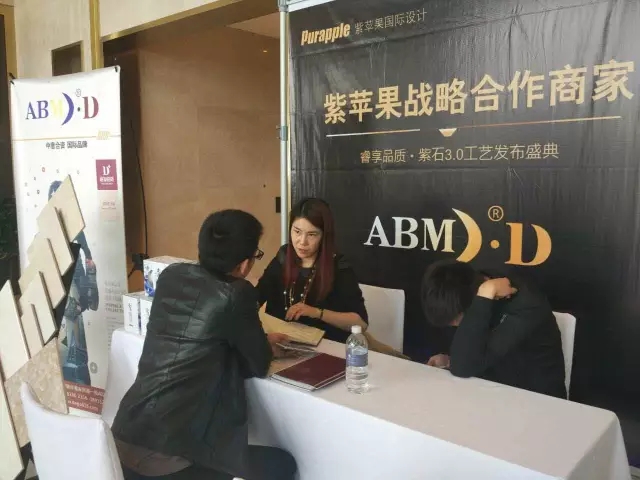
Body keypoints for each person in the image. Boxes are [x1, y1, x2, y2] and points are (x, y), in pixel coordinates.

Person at [112, 210, 297, 480]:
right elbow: (258, 364)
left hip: (124, 436)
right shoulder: (236, 293)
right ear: (244, 265)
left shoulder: (171, 276)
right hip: (172, 458)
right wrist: (264, 345)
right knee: (282, 464)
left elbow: (200, 340)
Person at [421, 260, 566, 398]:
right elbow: (477, 355)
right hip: (492, 391)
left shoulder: (526, 305)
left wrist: (486, 292)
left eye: (457, 319)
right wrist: (449, 360)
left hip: (538, 400)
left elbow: (462, 367)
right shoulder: (472, 287)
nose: (455, 326)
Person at [257, 198, 368, 343]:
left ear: (324, 236)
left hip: (326, 346)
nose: (302, 241)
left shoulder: (339, 266)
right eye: (297, 231)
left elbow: (361, 323)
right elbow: (257, 296)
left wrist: (317, 313)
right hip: (280, 342)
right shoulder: (284, 256)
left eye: (311, 234)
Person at [49, 180, 99, 386]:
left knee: (79, 371)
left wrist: (90, 277)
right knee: (60, 371)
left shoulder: (79, 237)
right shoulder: (44, 238)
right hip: (57, 315)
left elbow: (89, 271)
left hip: (76, 315)